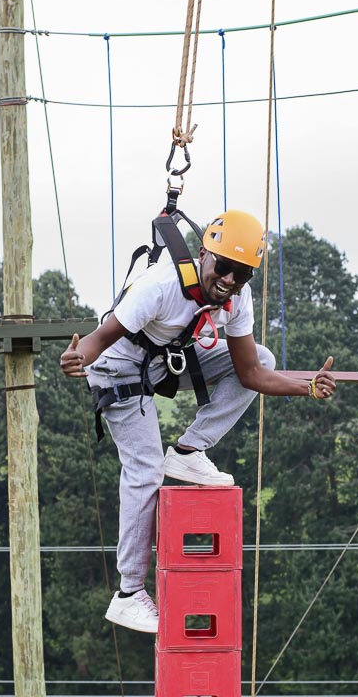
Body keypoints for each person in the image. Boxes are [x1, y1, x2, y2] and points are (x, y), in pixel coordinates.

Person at [61, 210, 336, 633]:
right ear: (204, 254)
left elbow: (251, 374)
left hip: (162, 362)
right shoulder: (163, 287)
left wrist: (306, 387)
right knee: (145, 468)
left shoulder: (236, 300)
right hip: (117, 366)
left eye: (242, 274)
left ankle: (189, 450)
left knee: (263, 357)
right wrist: (79, 358)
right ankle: (129, 593)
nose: (229, 280)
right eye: (224, 267)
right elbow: (100, 340)